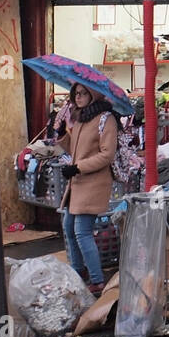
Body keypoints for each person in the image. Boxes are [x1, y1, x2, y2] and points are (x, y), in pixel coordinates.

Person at [53, 83, 119, 293]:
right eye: (75, 94)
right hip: (78, 182)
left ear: (93, 95)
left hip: (93, 182)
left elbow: (107, 154)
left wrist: (78, 168)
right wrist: (63, 132)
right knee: (69, 227)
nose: (78, 97)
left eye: (83, 93)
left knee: (82, 231)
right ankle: (78, 270)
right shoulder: (81, 117)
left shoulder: (105, 119)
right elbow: (75, 148)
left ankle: (97, 280)